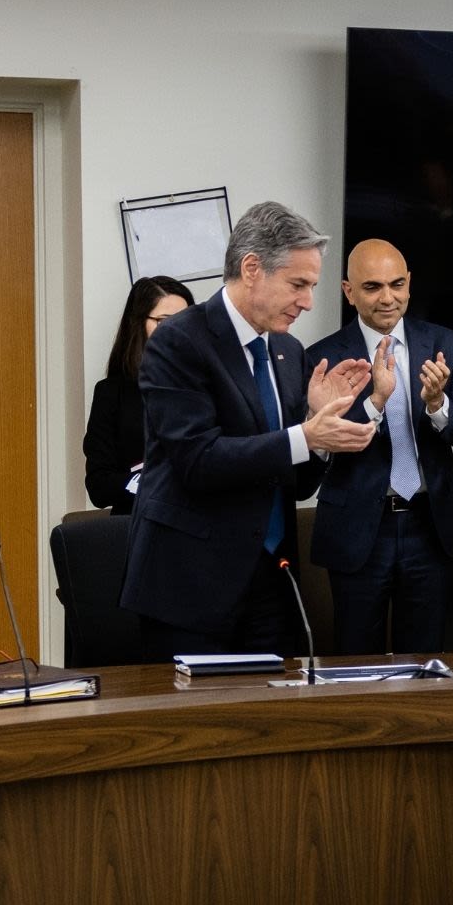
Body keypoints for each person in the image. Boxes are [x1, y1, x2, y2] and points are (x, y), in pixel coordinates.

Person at [119, 201, 373, 659]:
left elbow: (294, 485)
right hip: (190, 585)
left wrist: (321, 432)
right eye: (298, 284)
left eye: (312, 286)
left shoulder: (290, 352)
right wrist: (306, 436)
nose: (308, 301)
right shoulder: (179, 341)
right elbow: (198, 461)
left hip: (273, 581)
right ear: (252, 268)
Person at [303, 239, 453, 654]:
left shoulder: (446, 344)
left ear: (409, 284)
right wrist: (375, 403)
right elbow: (322, 452)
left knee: (424, 660)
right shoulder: (322, 358)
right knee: (355, 664)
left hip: (430, 526)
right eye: (372, 287)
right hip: (359, 530)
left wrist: (438, 404)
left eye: (397, 284)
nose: (388, 298)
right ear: (348, 291)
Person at [81, 274, 191, 513]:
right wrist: (149, 480)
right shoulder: (112, 394)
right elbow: (99, 487)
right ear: (139, 324)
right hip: (138, 523)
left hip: (202, 526)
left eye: (185, 322)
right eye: (163, 321)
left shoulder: (208, 383)